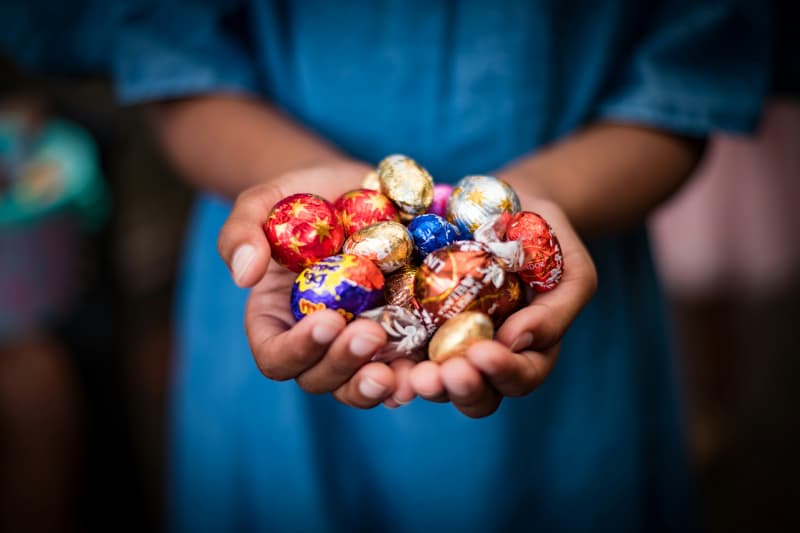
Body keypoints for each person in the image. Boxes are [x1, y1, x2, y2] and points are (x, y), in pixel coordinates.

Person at [114, 1, 768, 530]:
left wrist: (538, 200)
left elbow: (688, 86)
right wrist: (312, 190)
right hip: (280, 318)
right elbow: (173, 61)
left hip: (581, 310)